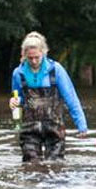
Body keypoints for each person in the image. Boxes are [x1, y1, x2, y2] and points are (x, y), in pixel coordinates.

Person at [9, 31, 88, 162]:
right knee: (30, 165)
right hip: (29, 129)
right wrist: (14, 101)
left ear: (43, 52)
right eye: (30, 58)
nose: (33, 61)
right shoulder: (18, 73)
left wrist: (81, 124)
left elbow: (71, 98)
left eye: (37, 57)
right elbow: (19, 99)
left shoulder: (56, 70)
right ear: (24, 55)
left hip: (55, 128)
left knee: (56, 166)